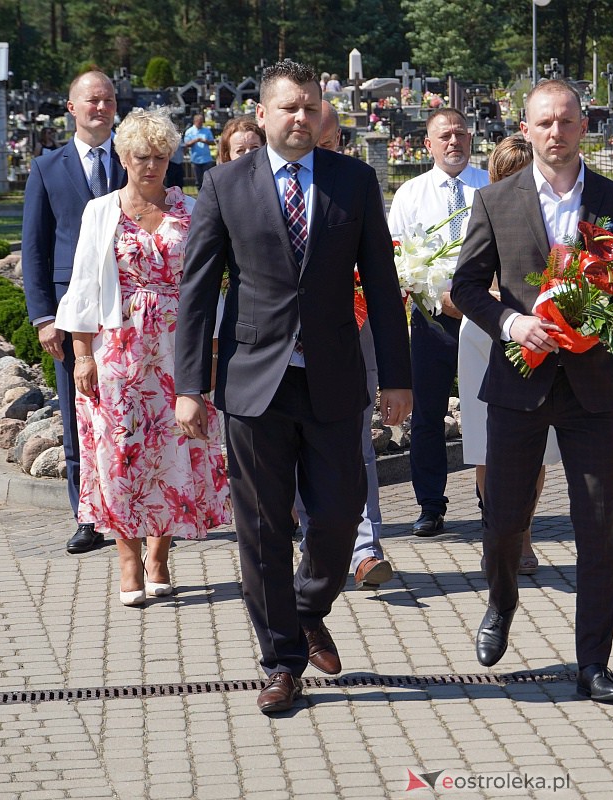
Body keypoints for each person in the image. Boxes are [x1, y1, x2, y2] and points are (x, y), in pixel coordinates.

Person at [173, 60, 412, 715]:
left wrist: (397, 378)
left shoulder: (354, 182)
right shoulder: (225, 184)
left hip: (334, 382)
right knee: (262, 532)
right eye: (288, 107)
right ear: (264, 113)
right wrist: (191, 383)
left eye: (310, 106)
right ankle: (281, 662)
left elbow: (384, 288)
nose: (300, 117)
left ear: (322, 112)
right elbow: (196, 291)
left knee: (338, 522)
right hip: (255, 387)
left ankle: (308, 606)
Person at [450, 79, 613, 704]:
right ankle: (501, 602)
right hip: (518, 380)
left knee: (597, 526)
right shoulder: (494, 201)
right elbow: (469, 286)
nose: (555, 133)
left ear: (584, 128)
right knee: (506, 519)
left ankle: (593, 663)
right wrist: (513, 322)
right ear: (525, 131)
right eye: (544, 123)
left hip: (590, 390)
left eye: (566, 122)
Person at [55, 108, 230, 607]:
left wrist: (213, 351)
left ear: (171, 157)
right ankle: (127, 559)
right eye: (140, 157)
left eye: (159, 156)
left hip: (180, 349)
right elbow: (84, 286)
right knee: (120, 455)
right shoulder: (101, 211)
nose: (150, 166)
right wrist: (82, 355)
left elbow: (210, 287)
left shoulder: (192, 210)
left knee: (173, 451)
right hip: (119, 353)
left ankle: (159, 556)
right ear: (123, 157)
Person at [22, 70, 126, 553]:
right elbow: (35, 248)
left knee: (129, 411)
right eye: (91, 101)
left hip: (128, 309)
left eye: (107, 100)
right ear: (71, 107)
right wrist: (45, 316)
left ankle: (133, 509)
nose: (100, 108)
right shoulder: (47, 168)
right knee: (76, 415)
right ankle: (86, 518)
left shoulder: (134, 159)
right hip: (71, 315)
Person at [294, 100, 395, 591]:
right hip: (285, 350)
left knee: (358, 446)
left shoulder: (356, 183)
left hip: (352, 336)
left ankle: (366, 546)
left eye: (333, 141)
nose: (325, 150)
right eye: (320, 142)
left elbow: (379, 266)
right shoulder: (272, 186)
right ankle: (314, 545)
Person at [457, 133, 557, 575]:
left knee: (535, 446)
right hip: (485, 334)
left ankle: (524, 534)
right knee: (485, 444)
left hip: (540, 335)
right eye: (510, 174)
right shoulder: (485, 206)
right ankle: (493, 532)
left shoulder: (551, 212)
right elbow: (463, 285)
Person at [387, 109, 489, 537]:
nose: (454, 142)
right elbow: (397, 256)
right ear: (427, 144)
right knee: (427, 414)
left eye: (461, 134)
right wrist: (437, 298)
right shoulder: (411, 194)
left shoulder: (491, 186)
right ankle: (431, 505)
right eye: (444, 136)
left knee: (488, 410)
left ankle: (493, 501)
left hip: (487, 317)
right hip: (432, 319)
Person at [183, 114, 215, 189]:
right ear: (195, 122)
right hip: (195, 159)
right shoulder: (189, 131)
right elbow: (186, 144)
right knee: (198, 180)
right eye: (199, 122)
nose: (201, 124)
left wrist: (205, 141)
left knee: (207, 179)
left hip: (206, 158)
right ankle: (199, 194)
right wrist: (196, 140)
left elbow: (212, 142)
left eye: (202, 122)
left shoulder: (206, 130)